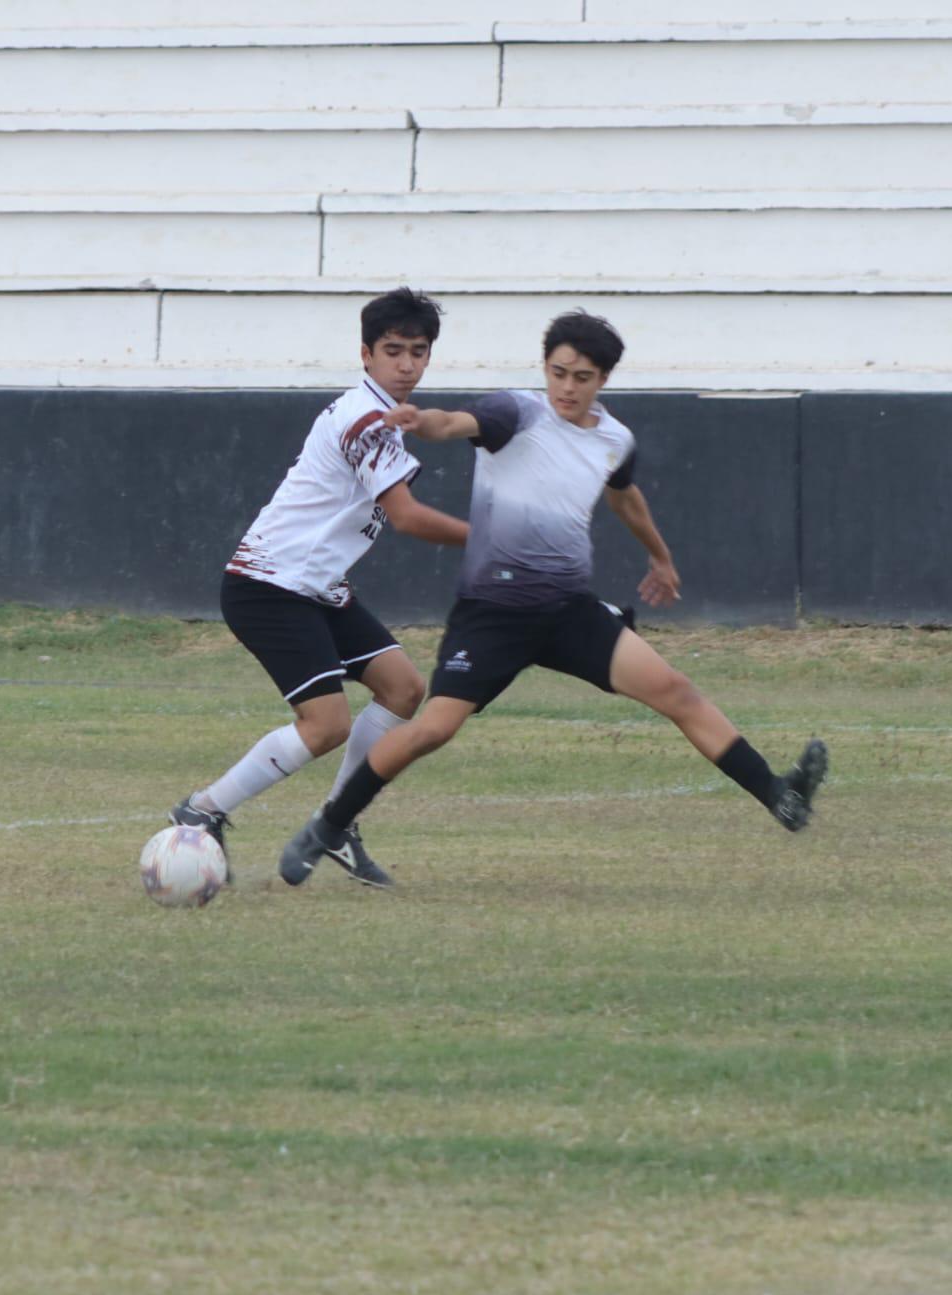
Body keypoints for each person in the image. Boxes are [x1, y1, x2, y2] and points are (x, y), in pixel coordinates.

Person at [279, 310, 828, 885]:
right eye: (559, 372)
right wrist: (424, 421)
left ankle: (778, 793)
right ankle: (329, 825)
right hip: (492, 614)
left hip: (567, 612)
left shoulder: (615, 440)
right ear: (545, 368)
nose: (567, 387)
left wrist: (660, 557)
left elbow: (624, 497)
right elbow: (453, 422)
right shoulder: (515, 412)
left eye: (582, 377)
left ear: (603, 381)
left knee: (676, 692)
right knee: (432, 729)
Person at [168, 288, 469, 889]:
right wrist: (493, 541)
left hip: (315, 586)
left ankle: (337, 823)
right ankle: (202, 810)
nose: (407, 364)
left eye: (418, 351)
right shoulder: (367, 421)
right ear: (365, 354)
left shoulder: (380, 415)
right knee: (325, 724)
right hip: (269, 585)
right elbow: (406, 517)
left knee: (403, 688)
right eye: (393, 351)